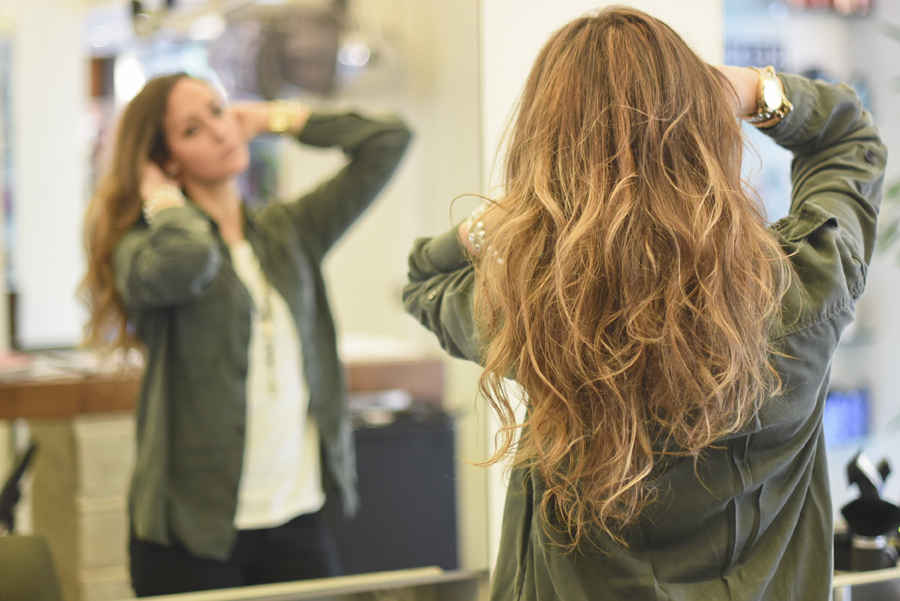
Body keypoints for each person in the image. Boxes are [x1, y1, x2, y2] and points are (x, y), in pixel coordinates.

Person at [403, 7, 884, 600]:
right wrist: (754, 90)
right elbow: (849, 136)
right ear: (707, 131)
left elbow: (425, 277)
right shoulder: (806, 286)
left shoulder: (531, 318)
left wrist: (505, 217)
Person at [80, 73, 411, 596]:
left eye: (218, 110)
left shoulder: (290, 230)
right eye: (192, 128)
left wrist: (275, 118)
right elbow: (189, 261)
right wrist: (162, 199)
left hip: (295, 517)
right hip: (191, 534)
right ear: (164, 160)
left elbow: (388, 141)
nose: (218, 131)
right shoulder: (144, 249)